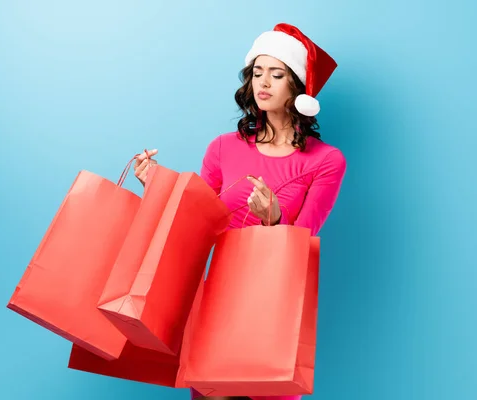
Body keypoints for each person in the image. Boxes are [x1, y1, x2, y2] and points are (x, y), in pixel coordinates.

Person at [133, 22, 346, 400]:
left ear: (296, 87)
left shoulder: (326, 161)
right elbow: (198, 221)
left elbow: (307, 236)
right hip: (219, 299)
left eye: (276, 74)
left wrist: (274, 217)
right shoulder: (223, 148)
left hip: (273, 303)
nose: (263, 82)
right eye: (257, 72)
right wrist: (156, 186)